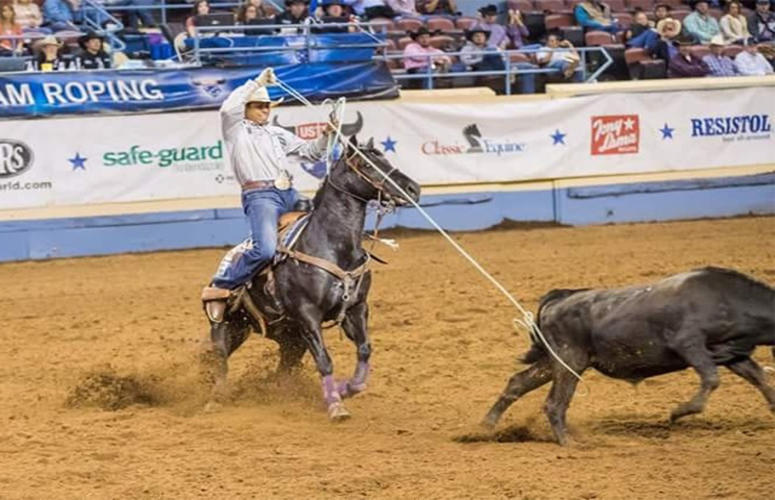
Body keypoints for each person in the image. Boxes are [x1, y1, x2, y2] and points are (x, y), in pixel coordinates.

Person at [210, 67, 336, 291]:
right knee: (264, 250)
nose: (265, 110)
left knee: (327, 221)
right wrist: (256, 83)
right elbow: (228, 110)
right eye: (259, 105)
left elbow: (312, 152)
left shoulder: (277, 133)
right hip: (260, 196)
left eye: (267, 105)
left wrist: (327, 136)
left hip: (289, 193)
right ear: (246, 109)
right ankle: (224, 284)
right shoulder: (236, 130)